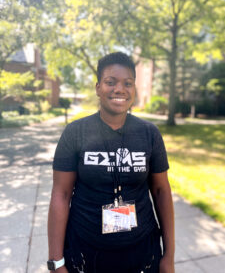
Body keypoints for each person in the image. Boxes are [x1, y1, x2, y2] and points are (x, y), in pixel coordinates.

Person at [47, 52, 175, 273]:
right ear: (98, 88)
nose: (119, 89)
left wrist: (169, 257)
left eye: (128, 83)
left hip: (142, 253)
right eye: (110, 82)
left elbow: (162, 191)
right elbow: (61, 194)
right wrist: (56, 262)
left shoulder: (149, 134)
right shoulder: (75, 133)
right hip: (85, 253)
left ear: (134, 89)